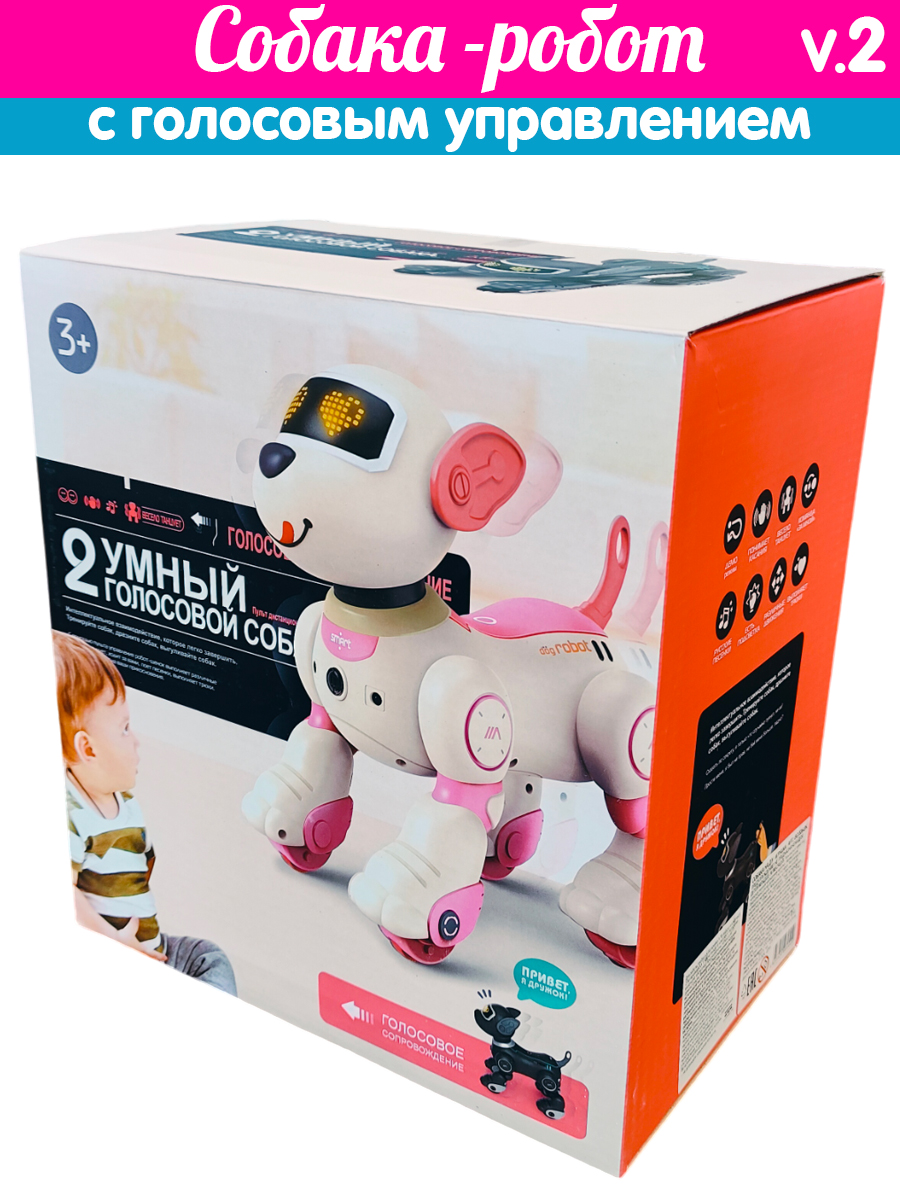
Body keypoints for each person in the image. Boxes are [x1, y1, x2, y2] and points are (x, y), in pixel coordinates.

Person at [54, 631, 237, 995]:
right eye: (124, 729)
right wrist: (111, 942)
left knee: (208, 956)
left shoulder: (123, 800)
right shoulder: (72, 813)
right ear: (88, 749)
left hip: (154, 946)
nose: (136, 740)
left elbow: (142, 864)